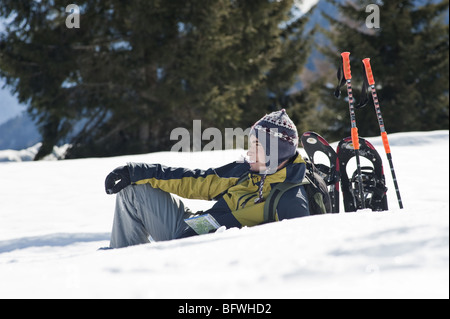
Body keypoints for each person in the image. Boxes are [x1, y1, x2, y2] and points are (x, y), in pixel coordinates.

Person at [104, 109, 309, 248]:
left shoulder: (290, 200)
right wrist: (136, 172)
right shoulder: (247, 171)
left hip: (202, 251)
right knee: (133, 191)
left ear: (277, 151)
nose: (249, 152)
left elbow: (283, 255)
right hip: (191, 229)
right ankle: (119, 264)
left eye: (257, 145)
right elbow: (196, 181)